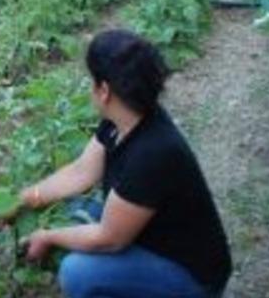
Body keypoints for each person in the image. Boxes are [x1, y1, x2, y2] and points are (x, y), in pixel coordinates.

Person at [19, 29, 231, 298]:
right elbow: (80, 173)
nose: (89, 88)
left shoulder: (153, 152)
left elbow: (109, 239)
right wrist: (25, 199)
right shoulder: (124, 118)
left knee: (77, 272)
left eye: (91, 81)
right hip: (153, 240)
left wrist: (48, 236)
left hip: (191, 276)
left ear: (104, 90)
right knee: (79, 208)